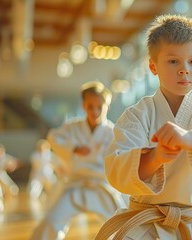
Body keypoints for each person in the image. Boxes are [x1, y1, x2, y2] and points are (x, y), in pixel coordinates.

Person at [95, 14, 192, 240]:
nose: (184, 69)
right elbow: (116, 168)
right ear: (153, 66)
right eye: (173, 61)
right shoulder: (136, 116)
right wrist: (155, 157)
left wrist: (191, 139)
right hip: (144, 226)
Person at [31, 81, 126, 239]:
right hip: (75, 184)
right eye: (90, 106)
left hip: (102, 186)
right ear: (83, 106)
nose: (94, 111)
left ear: (106, 106)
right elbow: (52, 137)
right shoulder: (73, 128)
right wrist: (73, 147)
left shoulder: (113, 132)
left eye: (99, 107)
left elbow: (124, 155)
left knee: (123, 226)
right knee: (51, 222)